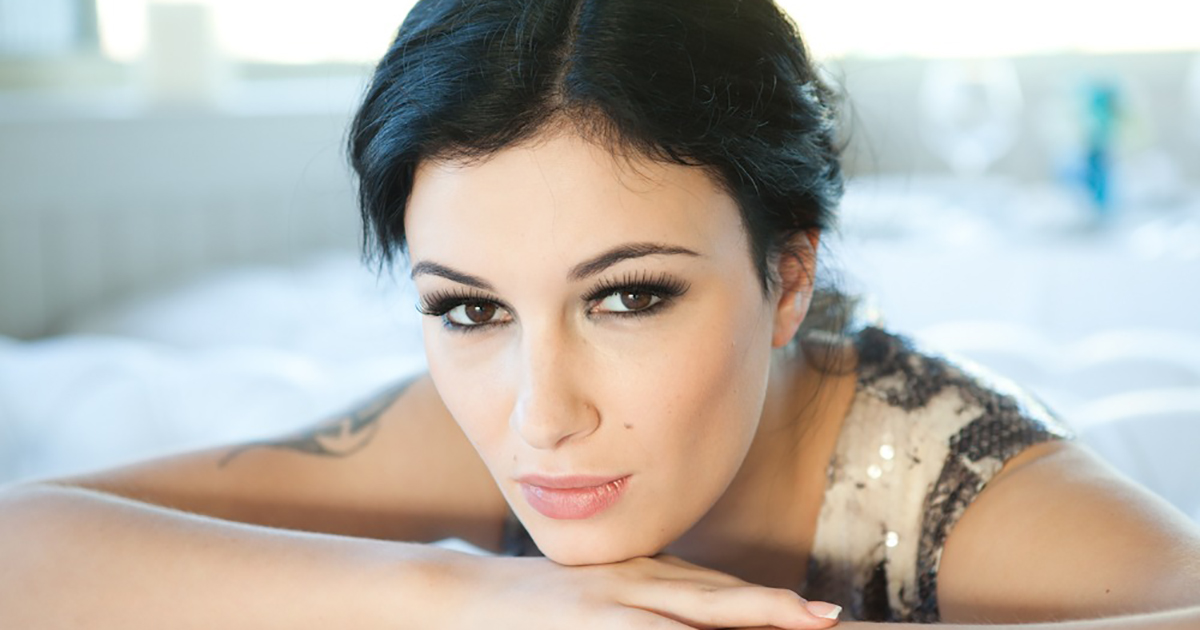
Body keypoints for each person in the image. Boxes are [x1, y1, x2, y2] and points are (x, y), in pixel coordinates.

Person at [2, 0, 1199, 627]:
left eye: (629, 297)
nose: (541, 413)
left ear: (788, 278)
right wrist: (470, 598)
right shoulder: (481, 427)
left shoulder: (977, 503)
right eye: (469, 308)